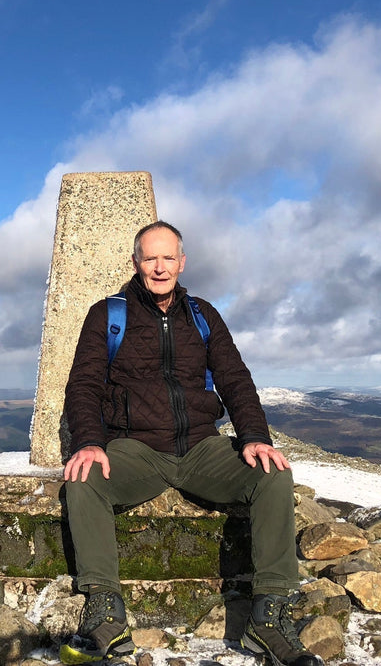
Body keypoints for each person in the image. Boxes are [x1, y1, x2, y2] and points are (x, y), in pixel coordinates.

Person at [59, 220, 321, 666]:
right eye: (150, 258)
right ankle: (105, 612)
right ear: (136, 262)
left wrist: (255, 437)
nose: (159, 268)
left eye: (168, 258)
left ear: (182, 262)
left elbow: (235, 378)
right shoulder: (108, 315)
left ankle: (269, 617)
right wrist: (89, 441)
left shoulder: (202, 314)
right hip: (137, 449)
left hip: (203, 447)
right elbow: (83, 383)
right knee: (84, 482)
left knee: (272, 475)